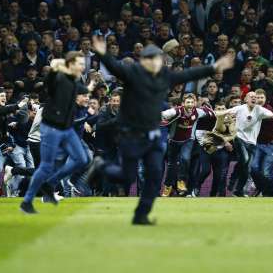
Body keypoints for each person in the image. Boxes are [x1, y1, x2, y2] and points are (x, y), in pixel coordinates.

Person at [92, 36, 234, 225]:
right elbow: (115, 67)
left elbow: (189, 74)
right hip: (131, 134)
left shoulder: (164, 76)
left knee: (155, 175)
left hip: (153, 135)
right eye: (150, 59)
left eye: (158, 59)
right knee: (127, 176)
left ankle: (141, 214)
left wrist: (214, 67)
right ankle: (100, 167)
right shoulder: (133, 73)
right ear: (143, 61)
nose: (155, 63)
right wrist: (102, 52)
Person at [20, 52, 94, 214]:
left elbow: (81, 91)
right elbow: (48, 83)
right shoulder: (59, 78)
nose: (83, 67)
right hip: (52, 127)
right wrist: (54, 69)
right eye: (80, 63)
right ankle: (27, 201)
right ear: (70, 64)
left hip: (66, 129)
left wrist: (91, 87)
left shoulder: (74, 81)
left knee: (83, 158)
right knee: (46, 166)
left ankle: (50, 183)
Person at [219, 91, 273, 197]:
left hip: (252, 142)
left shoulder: (259, 110)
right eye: (251, 96)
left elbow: (270, 113)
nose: (253, 98)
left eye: (255, 97)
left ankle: (238, 190)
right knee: (246, 160)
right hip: (239, 138)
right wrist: (212, 113)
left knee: (248, 167)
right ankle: (234, 181)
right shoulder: (240, 108)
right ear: (246, 99)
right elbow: (225, 112)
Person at [161, 93, 212, 197]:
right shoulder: (176, 111)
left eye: (192, 102)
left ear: (195, 103)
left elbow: (213, 113)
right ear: (183, 103)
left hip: (188, 140)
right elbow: (163, 115)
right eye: (187, 102)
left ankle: (181, 182)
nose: (190, 104)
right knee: (172, 165)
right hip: (173, 141)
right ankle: (168, 186)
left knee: (185, 159)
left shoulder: (198, 112)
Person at [197, 101, 236, 197]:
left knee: (219, 176)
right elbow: (206, 134)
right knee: (206, 170)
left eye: (223, 109)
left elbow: (233, 134)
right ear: (214, 110)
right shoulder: (208, 119)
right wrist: (224, 141)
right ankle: (196, 187)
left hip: (221, 150)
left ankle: (213, 195)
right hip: (207, 149)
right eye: (219, 109)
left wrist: (228, 142)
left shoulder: (230, 121)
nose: (221, 111)